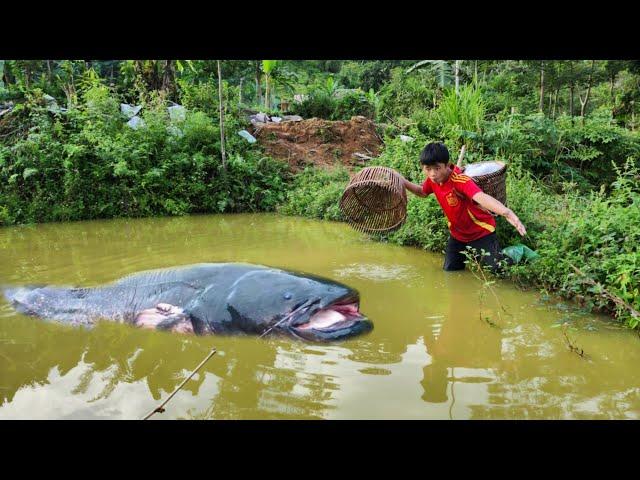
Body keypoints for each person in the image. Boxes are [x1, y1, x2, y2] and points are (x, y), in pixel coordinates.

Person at [401, 142, 527, 272]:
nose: (432, 173)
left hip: (480, 232)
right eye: (428, 169)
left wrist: (507, 213)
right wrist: (402, 181)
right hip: (458, 235)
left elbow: (481, 197)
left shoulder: (460, 180)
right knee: (450, 271)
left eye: (437, 168)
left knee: (497, 269)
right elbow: (422, 191)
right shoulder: (433, 181)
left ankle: (517, 252)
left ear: (446, 165)